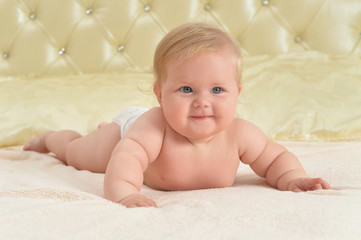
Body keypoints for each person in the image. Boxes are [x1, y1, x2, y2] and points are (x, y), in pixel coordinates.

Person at [23, 23, 330, 208]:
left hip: (143, 135)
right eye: (186, 89)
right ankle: (52, 138)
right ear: (159, 94)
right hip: (127, 132)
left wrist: (293, 178)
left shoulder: (241, 134)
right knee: (78, 153)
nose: (201, 102)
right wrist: (126, 194)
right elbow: (126, 161)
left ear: (237, 92)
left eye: (217, 90)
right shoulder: (154, 127)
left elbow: (276, 159)